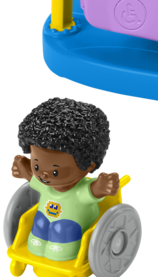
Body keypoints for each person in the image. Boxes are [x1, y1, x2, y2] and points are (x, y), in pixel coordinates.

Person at [10, 97, 120, 261]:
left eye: (55, 172)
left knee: (63, 228)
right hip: (45, 219)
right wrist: (24, 170)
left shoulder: (79, 192)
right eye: (37, 165)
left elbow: (93, 191)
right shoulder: (43, 184)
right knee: (39, 223)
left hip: (72, 225)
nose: (43, 175)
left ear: (88, 166)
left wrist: (103, 186)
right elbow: (31, 178)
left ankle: (64, 248)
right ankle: (39, 241)